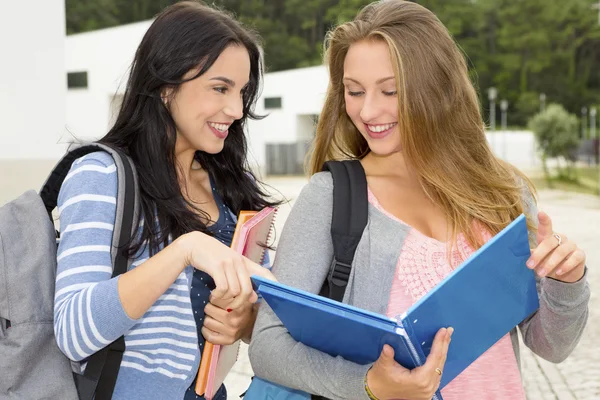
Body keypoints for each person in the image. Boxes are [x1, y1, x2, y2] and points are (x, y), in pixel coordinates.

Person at [248, 1, 590, 399]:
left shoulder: (501, 191)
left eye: (390, 90)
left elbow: (551, 345)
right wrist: (367, 384)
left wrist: (567, 282)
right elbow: (268, 346)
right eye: (354, 91)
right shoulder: (329, 197)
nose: (368, 110)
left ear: (437, 86)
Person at [53, 2, 277, 399]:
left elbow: (264, 311)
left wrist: (244, 322)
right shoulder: (103, 175)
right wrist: (185, 250)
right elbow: (73, 331)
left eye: (242, 92)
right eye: (220, 88)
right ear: (166, 85)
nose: (236, 109)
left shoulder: (231, 185)